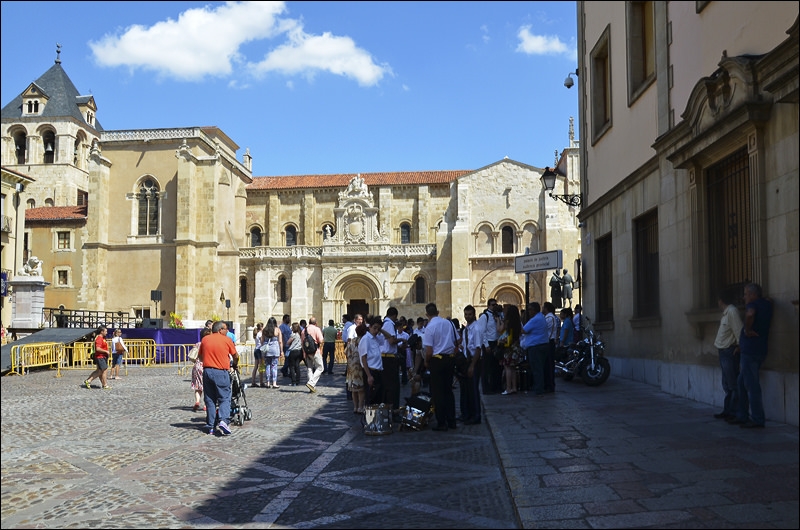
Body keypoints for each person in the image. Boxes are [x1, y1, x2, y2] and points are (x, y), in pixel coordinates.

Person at [731, 283, 773, 429]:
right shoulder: (766, 304)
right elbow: (768, 302)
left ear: (753, 295)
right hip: (759, 350)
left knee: (751, 385)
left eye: (746, 294)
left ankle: (757, 419)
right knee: (741, 382)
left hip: (750, 351)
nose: (744, 297)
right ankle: (742, 415)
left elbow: (750, 315)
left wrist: (747, 330)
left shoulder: (753, 305)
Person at [198, 321, 239, 436]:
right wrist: (234, 364)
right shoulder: (226, 340)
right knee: (224, 397)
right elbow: (235, 355)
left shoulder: (205, 340)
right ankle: (223, 421)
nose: (227, 331)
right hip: (221, 371)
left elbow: (200, 356)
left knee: (210, 399)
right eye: (226, 329)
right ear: (220, 329)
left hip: (207, 371)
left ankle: (211, 426)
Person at [423, 302, 459, 431]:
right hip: (449, 360)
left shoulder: (429, 327)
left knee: (438, 393)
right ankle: (452, 421)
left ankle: (441, 422)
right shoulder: (448, 323)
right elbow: (457, 340)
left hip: (437, 361)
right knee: (448, 391)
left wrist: (426, 362)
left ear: (427, 314)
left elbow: (429, 350)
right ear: (438, 312)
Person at [713, 292, 743, 421]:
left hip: (729, 351)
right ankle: (728, 410)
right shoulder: (727, 313)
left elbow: (739, 330)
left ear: (720, 300)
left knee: (732, 384)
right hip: (723, 351)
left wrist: (740, 346)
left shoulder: (732, 311)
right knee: (726, 384)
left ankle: (734, 412)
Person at [460, 304, 483, 425]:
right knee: (467, 390)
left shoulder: (477, 328)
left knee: (474, 390)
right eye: (466, 314)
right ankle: (467, 414)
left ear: (474, 315)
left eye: (469, 314)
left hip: (474, 361)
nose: (467, 316)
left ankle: (476, 415)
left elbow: (478, 348)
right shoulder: (466, 329)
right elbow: (465, 346)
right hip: (467, 361)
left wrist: (472, 365)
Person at [521, 302, 549, 396]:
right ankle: (539, 386)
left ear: (534, 310)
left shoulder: (535, 319)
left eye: (529, 309)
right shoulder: (541, 317)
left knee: (537, 368)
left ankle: (539, 388)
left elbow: (524, 330)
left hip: (536, 346)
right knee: (539, 368)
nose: (528, 312)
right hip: (541, 345)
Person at [478, 299, 502, 395]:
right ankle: (486, 388)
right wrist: (486, 345)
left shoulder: (497, 316)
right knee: (487, 367)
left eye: (495, 304)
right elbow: (482, 331)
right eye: (492, 305)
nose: (494, 306)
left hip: (497, 342)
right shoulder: (485, 316)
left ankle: (495, 387)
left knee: (496, 367)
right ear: (488, 306)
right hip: (489, 343)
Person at [378, 307, 400, 412]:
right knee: (392, 385)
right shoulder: (389, 324)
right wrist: (401, 340)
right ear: (395, 316)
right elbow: (391, 341)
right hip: (389, 358)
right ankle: (392, 408)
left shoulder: (384, 324)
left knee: (387, 384)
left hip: (385, 358)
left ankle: (388, 407)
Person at [360, 316, 385, 406]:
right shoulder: (366, 339)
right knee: (371, 397)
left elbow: (388, 337)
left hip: (379, 371)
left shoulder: (376, 338)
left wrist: (381, 330)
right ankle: (369, 418)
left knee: (379, 398)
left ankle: (376, 418)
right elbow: (363, 358)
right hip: (371, 371)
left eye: (378, 329)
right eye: (374, 328)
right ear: (369, 327)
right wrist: (369, 375)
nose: (376, 331)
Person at [497, 304, 522, 395]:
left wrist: (498, 320)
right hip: (516, 346)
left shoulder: (507, 322)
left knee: (507, 367)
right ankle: (514, 387)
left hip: (509, 348)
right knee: (513, 368)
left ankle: (508, 388)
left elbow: (499, 330)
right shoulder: (518, 322)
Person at [346, 322, 368, 414]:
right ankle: (360, 407)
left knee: (353, 389)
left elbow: (346, 352)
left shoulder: (352, 341)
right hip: (359, 366)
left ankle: (355, 407)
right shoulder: (363, 340)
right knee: (360, 389)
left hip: (351, 367)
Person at [84, 325, 111, 389]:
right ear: (102, 332)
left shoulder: (103, 338)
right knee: (104, 370)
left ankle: (103, 383)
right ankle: (90, 381)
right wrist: (106, 351)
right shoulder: (99, 338)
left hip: (102, 356)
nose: (107, 332)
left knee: (100, 370)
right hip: (100, 356)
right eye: (105, 331)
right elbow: (98, 348)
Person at [191, 328, 212, 412]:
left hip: (197, 366)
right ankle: (206, 405)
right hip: (206, 365)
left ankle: (197, 401)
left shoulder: (197, 344)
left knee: (197, 387)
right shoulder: (209, 344)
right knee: (207, 387)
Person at [303, 317, 324, 393]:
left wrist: (304, 353)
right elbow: (321, 340)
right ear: (316, 323)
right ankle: (311, 383)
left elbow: (303, 342)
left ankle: (311, 387)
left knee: (309, 368)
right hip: (315, 351)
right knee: (320, 367)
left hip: (307, 352)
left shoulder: (304, 330)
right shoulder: (316, 329)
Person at [542, 301, 560, 393]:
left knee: (549, 365)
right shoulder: (549, 317)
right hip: (549, 342)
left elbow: (544, 329)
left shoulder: (549, 318)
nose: (542, 309)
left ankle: (550, 385)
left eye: (543, 307)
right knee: (548, 365)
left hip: (549, 342)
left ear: (546, 308)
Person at [262, 317, 283, 389]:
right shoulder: (277, 330)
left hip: (267, 349)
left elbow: (262, 340)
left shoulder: (264, 330)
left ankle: (268, 382)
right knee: (274, 366)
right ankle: (274, 382)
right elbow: (280, 341)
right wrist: (281, 351)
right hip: (275, 349)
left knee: (267, 365)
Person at [251, 322, 265, 388]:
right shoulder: (260, 334)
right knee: (261, 366)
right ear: (261, 327)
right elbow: (262, 342)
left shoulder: (256, 334)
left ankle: (253, 381)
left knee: (256, 366)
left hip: (256, 350)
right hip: (259, 350)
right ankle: (261, 382)